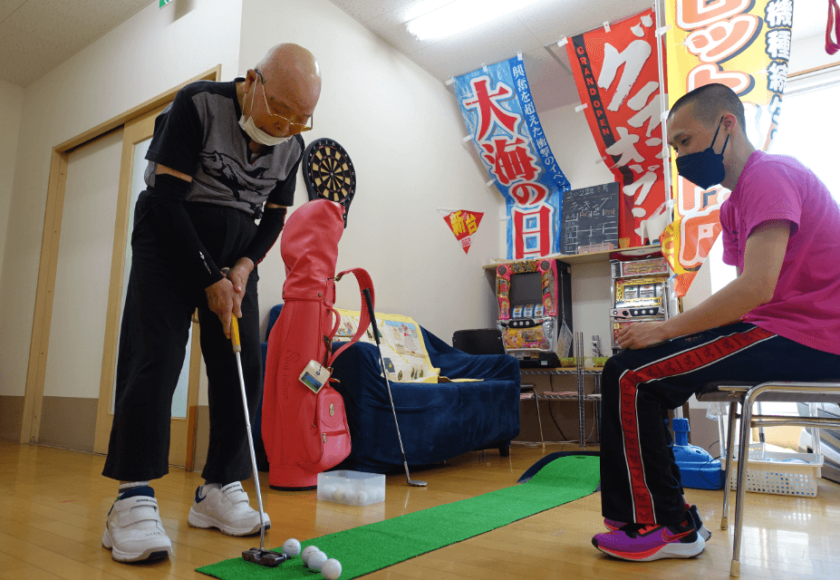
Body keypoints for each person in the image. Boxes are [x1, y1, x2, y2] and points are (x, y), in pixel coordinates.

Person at [592, 83, 840, 562]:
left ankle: (664, 526)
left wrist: (665, 332)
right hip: (782, 327)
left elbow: (756, 289)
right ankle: (661, 517)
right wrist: (672, 339)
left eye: (685, 141)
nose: (681, 155)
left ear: (727, 123)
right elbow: (746, 302)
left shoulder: (770, 175)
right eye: (675, 148)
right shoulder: (732, 206)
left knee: (630, 374)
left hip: (813, 334)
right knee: (635, 365)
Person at [100, 44, 321, 563]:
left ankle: (219, 489)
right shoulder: (196, 105)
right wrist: (207, 278)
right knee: (155, 357)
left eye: (302, 119)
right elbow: (167, 200)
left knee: (242, 367)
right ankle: (131, 498)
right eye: (281, 112)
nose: (288, 126)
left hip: (235, 254)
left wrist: (242, 270)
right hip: (169, 238)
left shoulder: (293, 146)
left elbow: (273, 218)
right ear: (253, 82)